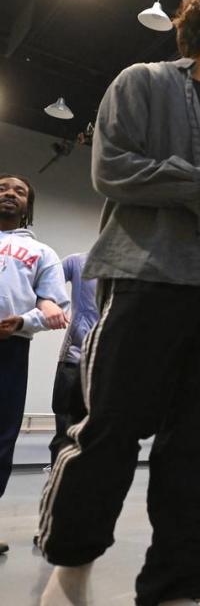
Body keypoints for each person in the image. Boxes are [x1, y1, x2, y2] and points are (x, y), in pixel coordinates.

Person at [38, 0, 200, 606]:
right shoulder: (143, 82)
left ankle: (177, 591)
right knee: (111, 429)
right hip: (148, 279)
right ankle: (69, 570)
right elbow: (112, 168)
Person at [0, 174, 69, 556]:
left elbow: (54, 305)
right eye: (2, 188)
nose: (9, 193)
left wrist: (25, 322)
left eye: (19, 191)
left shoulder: (42, 253)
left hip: (9, 351)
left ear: (28, 205)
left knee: (1, 438)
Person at [48, 253, 98, 465]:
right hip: (75, 358)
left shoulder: (134, 268)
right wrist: (48, 303)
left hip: (111, 361)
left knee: (103, 431)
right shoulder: (78, 262)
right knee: (65, 427)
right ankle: (59, 482)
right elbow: (45, 281)